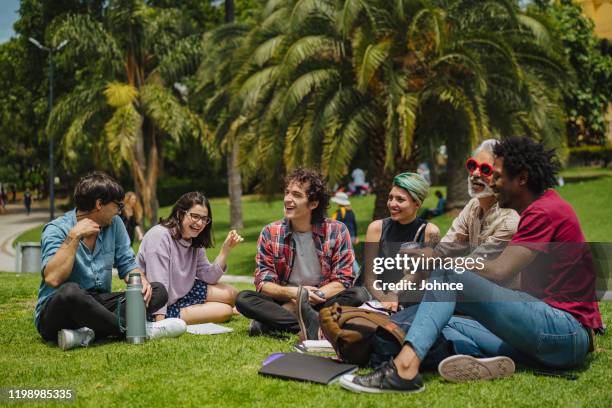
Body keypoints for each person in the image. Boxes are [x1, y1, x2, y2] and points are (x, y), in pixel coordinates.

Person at [341, 137, 603, 393]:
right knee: (445, 321)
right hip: (545, 334)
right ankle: (487, 362)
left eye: (497, 175)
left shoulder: (544, 211)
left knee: (446, 274)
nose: (493, 182)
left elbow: (500, 270)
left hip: (563, 333)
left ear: (521, 178)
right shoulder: (535, 208)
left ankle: (404, 369)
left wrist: (440, 260)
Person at [367, 139, 521, 369]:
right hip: (466, 303)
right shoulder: (473, 206)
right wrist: (396, 293)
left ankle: (469, 353)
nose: (475, 174)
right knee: (415, 310)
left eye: (485, 169)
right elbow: (444, 249)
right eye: (472, 166)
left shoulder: (509, 219)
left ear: (501, 175)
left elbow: (472, 268)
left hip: (493, 312)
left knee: (425, 314)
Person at [35, 172, 186, 351]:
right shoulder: (57, 229)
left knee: (157, 291)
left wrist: (141, 282)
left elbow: (128, 264)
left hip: (98, 304)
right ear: (99, 204)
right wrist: (73, 237)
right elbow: (53, 278)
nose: (119, 211)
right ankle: (137, 329)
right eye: (117, 205)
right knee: (70, 293)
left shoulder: (115, 224)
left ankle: (87, 333)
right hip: (60, 312)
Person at [235, 168, 369, 340]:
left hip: (321, 299)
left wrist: (311, 298)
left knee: (359, 294)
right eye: (287, 193)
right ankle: (314, 324)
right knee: (244, 298)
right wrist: (296, 294)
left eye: (297, 195)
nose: (288, 199)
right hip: (285, 298)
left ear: (313, 204)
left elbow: (343, 280)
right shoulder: (270, 232)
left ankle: (271, 322)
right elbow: (263, 282)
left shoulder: (337, 230)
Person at [138, 192, 241, 324]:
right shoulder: (159, 236)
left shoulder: (194, 240)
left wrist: (225, 249)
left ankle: (196, 309)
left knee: (232, 295)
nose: (200, 223)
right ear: (180, 213)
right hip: (156, 304)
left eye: (204, 219)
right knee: (225, 311)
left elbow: (208, 277)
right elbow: (158, 284)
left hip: (184, 291)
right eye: (195, 216)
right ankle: (183, 313)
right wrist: (160, 323)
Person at [361, 172, 440, 311]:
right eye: (390, 197)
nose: (392, 204)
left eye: (400, 199)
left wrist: (394, 294)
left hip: (409, 297)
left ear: (417, 203)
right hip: (376, 295)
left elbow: (420, 274)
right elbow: (370, 280)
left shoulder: (430, 232)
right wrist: (386, 299)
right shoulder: (376, 229)